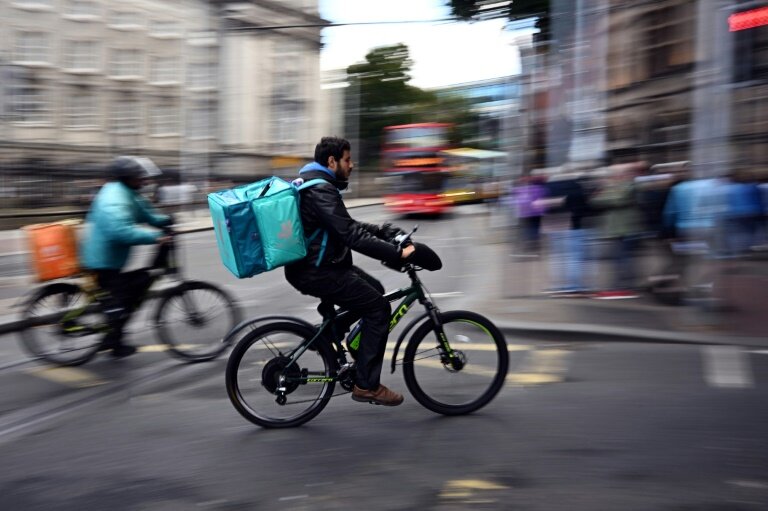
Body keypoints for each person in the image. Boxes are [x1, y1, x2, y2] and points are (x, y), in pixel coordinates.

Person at [284, 136, 415, 407]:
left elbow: (344, 225)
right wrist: (396, 253)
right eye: (347, 159)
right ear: (332, 162)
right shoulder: (321, 189)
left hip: (322, 266)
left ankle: (335, 331)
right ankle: (367, 385)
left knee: (375, 290)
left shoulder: (318, 185)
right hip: (316, 272)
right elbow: (350, 234)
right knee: (378, 308)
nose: (352, 165)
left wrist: (382, 231)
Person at [79, 156, 174, 358]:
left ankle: (114, 340)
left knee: (133, 289)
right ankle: (113, 340)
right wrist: (157, 236)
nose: (144, 181)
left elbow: (146, 214)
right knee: (120, 301)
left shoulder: (129, 194)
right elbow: (120, 231)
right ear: (127, 177)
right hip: (102, 262)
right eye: (140, 177)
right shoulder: (113, 198)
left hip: (113, 260)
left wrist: (166, 220)